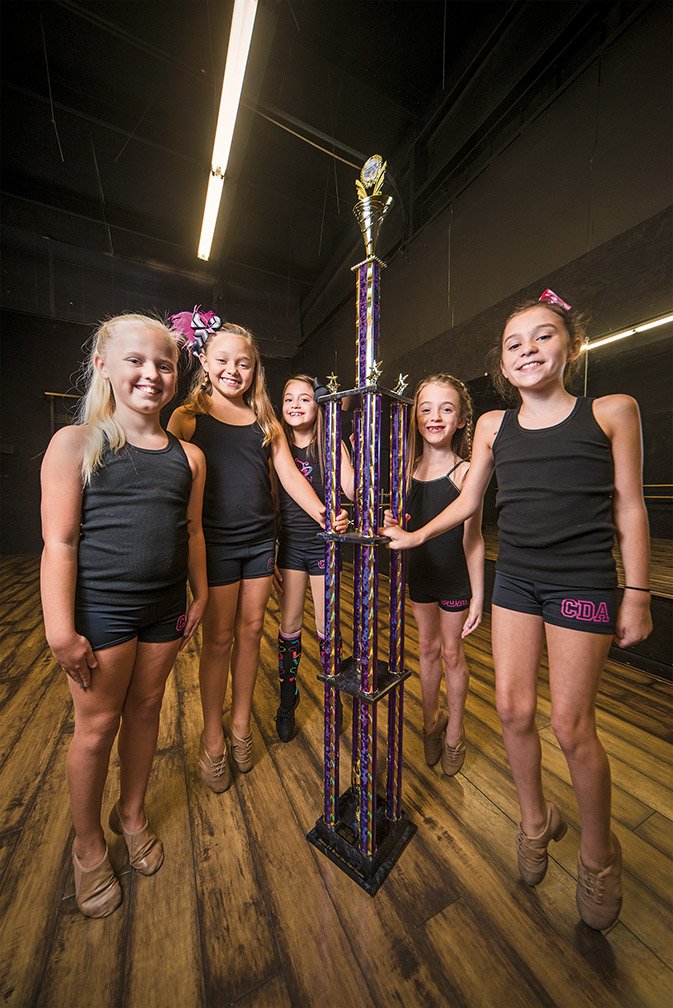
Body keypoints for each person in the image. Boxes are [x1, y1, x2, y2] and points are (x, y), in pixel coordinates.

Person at [381, 290, 652, 930]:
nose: (528, 349)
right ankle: (536, 822)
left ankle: (597, 855)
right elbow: (469, 500)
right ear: (502, 366)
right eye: (514, 343)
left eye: (543, 336)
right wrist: (417, 536)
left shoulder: (613, 411)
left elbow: (629, 507)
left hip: (581, 579)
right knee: (510, 707)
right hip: (519, 581)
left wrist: (636, 594)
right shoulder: (494, 427)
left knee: (570, 723)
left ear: (571, 347)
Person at [40, 314, 207, 918]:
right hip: (102, 613)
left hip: (166, 610)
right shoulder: (76, 444)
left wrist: (203, 593)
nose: (151, 374)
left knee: (145, 710)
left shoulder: (189, 457)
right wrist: (61, 630)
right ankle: (88, 847)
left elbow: (191, 532)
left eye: (164, 363)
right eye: (136, 360)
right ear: (103, 366)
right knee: (96, 727)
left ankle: (130, 814)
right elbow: (59, 543)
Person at [168, 310, 348, 789]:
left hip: (258, 543)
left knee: (251, 634)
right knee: (219, 640)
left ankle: (242, 726)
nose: (233, 370)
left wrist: (326, 514)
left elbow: (289, 476)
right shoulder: (188, 417)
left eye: (243, 363)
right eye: (222, 360)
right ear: (204, 361)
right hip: (214, 547)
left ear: (255, 369)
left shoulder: (263, 416)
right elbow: (169, 481)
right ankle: (212, 737)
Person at [385, 374, 484, 775]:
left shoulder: (466, 473)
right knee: (425, 650)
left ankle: (455, 733)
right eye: (426, 409)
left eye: (446, 408)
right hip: (420, 576)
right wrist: (389, 521)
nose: (435, 417)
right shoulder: (404, 471)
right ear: (415, 417)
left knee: (450, 652)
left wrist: (479, 594)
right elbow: (397, 525)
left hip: (454, 579)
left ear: (461, 419)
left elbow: (473, 540)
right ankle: (431, 724)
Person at [274, 375, 354, 741]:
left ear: (318, 405)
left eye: (304, 399)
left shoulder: (330, 443)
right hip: (290, 549)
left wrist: (347, 513)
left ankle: (332, 698)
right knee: (289, 627)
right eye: (289, 398)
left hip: (324, 548)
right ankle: (287, 702)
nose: (295, 404)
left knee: (327, 631)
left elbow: (352, 489)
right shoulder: (275, 443)